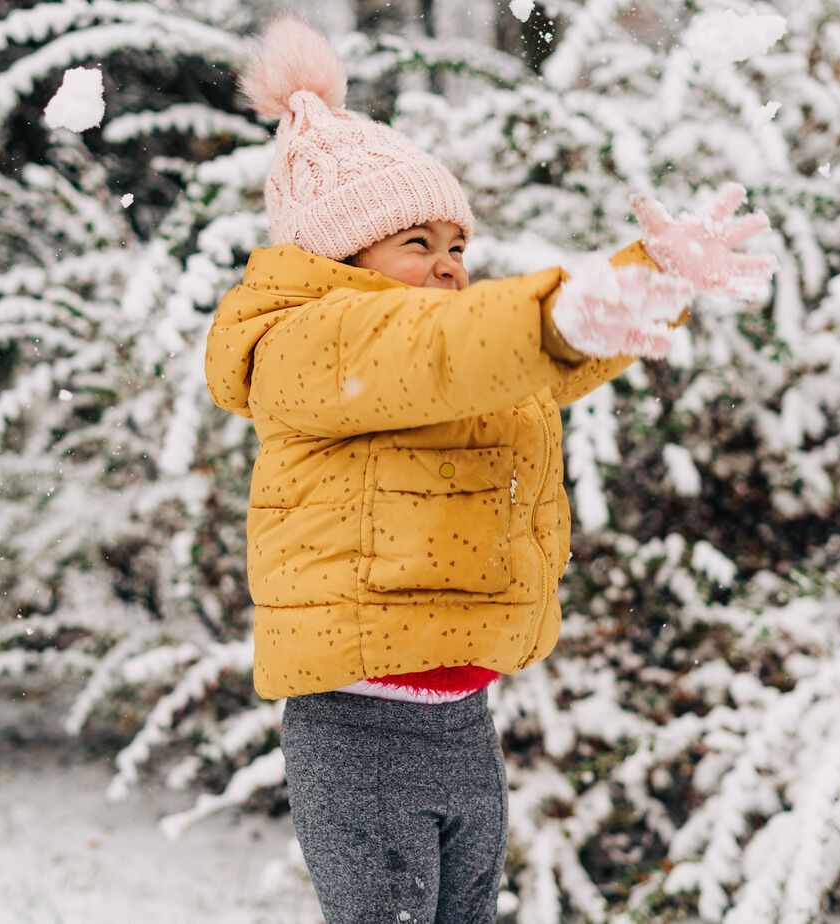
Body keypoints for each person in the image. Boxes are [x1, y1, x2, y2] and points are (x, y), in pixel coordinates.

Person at [201, 18, 776, 923]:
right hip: (360, 728)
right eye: (415, 244)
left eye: (456, 245)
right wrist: (559, 317)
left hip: (461, 717)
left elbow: (515, 366)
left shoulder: (435, 353)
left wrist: (643, 284)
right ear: (339, 256)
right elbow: (444, 349)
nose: (447, 266)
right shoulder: (309, 345)